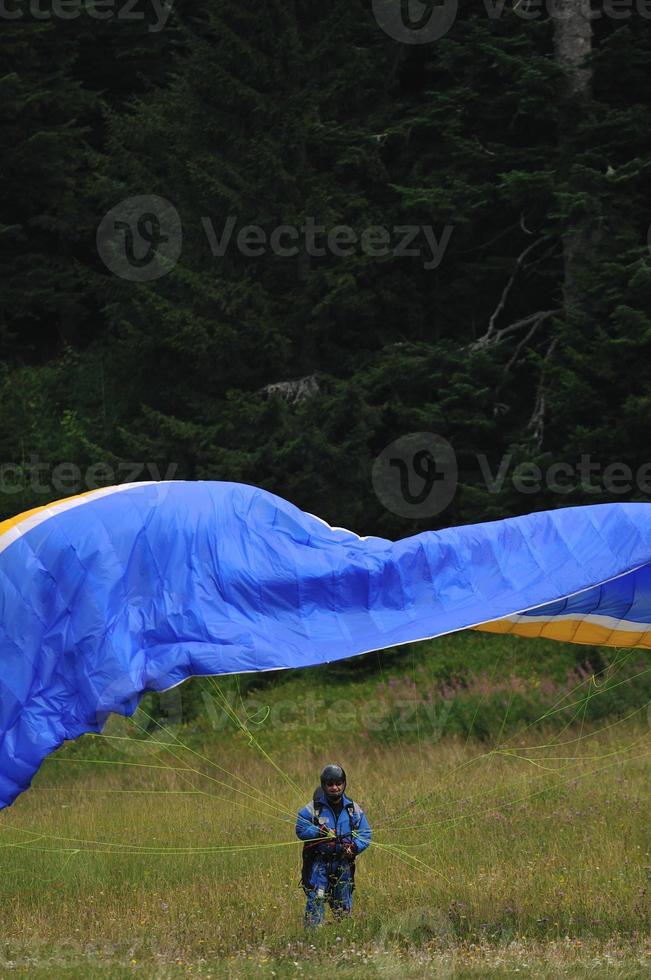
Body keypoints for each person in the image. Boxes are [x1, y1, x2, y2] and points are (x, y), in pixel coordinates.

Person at [295, 763, 372, 927]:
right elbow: (301, 828)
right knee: (316, 898)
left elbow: (366, 833)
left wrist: (355, 847)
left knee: (343, 904)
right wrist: (318, 832)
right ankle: (312, 940)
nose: (335, 788)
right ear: (324, 785)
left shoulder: (353, 809)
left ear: (344, 783)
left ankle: (343, 936)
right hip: (319, 865)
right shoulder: (313, 809)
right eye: (330, 784)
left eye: (338, 783)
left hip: (343, 864)